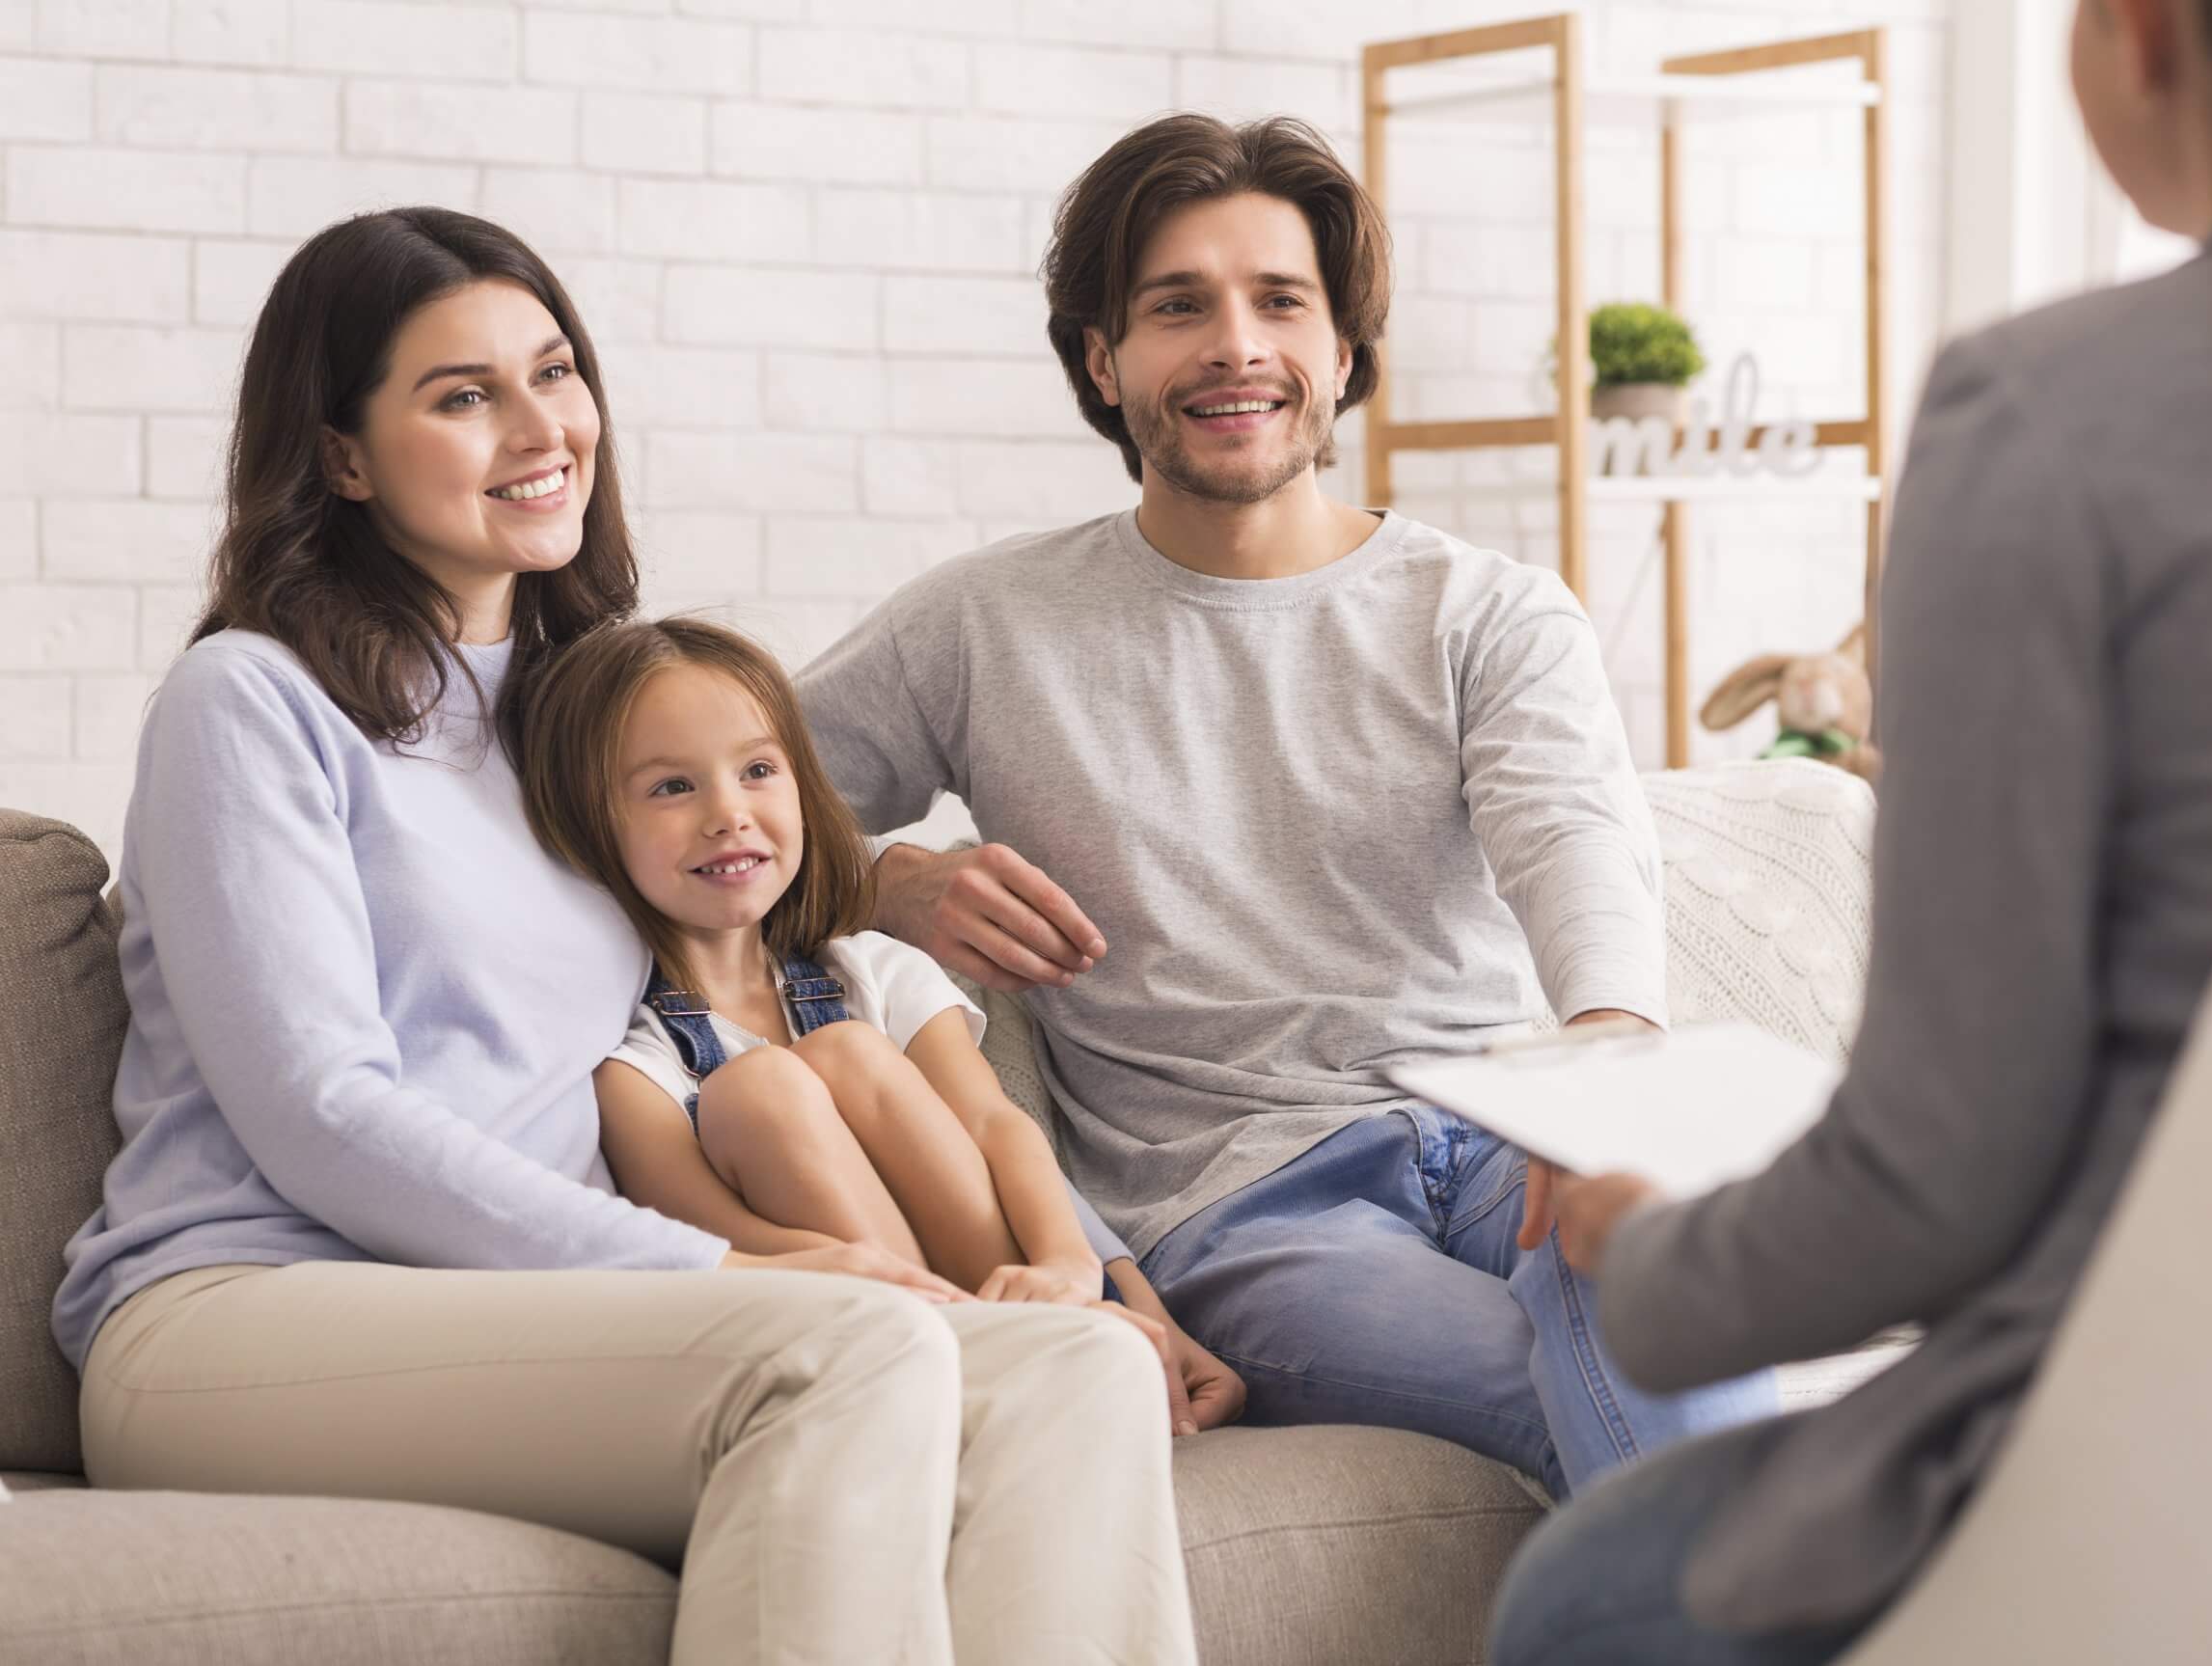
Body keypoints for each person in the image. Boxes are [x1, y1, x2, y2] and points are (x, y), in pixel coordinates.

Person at [50, 206, 1197, 1666]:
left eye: (555, 371)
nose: (540, 428)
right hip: (241, 1312)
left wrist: (1106, 1272)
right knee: (839, 1352)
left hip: (534, 1308)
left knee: (1076, 1370)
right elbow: (322, 1114)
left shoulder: (583, 715)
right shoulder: (251, 701)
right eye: (463, 395)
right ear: (342, 455)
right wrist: (720, 1273)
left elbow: (780, 936)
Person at [1486, 0, 2212, 1660]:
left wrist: (1642, 1248)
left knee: (1582, 1605)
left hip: (2162, 1467)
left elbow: (1936, 1182)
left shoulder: (2050, 419)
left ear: (2140, 35)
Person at [793, 113, 1773, 1501]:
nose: (1235, 346)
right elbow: (713, 802)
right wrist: (881, 882)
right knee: (1627, 1400)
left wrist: (1607, 1064)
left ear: (1345, 351)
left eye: (1279, 302)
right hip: (1250, 1207)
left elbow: (1574, 833)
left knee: (1665, 1303)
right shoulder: (980, 625)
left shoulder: (1486, 610)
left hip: (1501, 1129)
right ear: (1102, 357)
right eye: (1177, 305)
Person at [517, 613, 1246, 1419]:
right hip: (868, 1339)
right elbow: (717, 1250)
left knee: (845, 1052)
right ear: (589, 825)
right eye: (672, 786)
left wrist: (1078, 1269)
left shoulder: (876, 970)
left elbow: (999, 1130)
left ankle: (1049, 1340)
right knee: (761, 1087)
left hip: (1015, 1296)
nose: (728, 812)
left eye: (758, 768)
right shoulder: (634, 1072)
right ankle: (984, 1363)